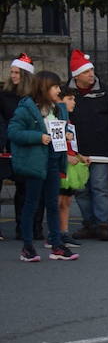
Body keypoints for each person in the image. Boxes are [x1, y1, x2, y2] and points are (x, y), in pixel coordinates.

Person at [8, 70, 77, 261]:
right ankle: (27, 247)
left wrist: (67, 134)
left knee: (53, 204)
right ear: (44, 87)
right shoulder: (27, 108)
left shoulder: (58, 108)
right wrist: (38, 137)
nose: (58, 90)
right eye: (55, 87)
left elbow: (61, 128)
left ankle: (57, 245)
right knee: (31, 204)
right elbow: (13, 132)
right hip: (36, 162)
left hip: (53, 160)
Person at [68, 49, 108, 242]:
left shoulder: (105, 91)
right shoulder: (67, 93)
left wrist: (104, 135)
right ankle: (89, 224)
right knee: (81, 189)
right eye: (86, 71)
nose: (91, 74)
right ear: (76, 75)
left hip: (100, 149)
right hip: (76, 151)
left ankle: (102, 225)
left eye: (91, 70)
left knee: (100, 187)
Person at [2, 54, 38, 241]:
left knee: (24, 189)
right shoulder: (4, 96)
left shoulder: (34, 97)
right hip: (6, 146)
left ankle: (22, 226)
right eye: (12, 72)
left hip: (26, 147)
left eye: (17, 72)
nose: (13, 76)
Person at [56, 88, 88, 247]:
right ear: (59, 101)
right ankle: (55, 234)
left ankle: (64, 232)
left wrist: (79, 155)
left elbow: (71, 145)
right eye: (69, 99)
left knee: (66, 201)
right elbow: (55, 145)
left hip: (70, 165)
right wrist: (66, 157)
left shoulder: (69, 122)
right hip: (60, 165)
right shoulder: (56, 120)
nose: (73, 102)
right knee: (57, 201)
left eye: (73, 99)